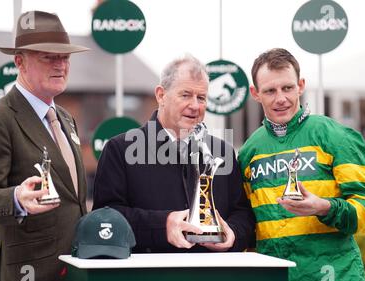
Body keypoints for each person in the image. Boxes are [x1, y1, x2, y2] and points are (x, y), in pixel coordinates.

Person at [238, 48, 365, 281]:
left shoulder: (334, 136)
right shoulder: (249, 152)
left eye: (287, 88)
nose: (280, 98)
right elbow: (250, 226)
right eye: (270, 91)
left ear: (301, 86)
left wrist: (325, 207)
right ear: (255, 94)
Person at [0, 11, 89, 281]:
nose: (60, 64)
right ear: (19, 61)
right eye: (48, 56)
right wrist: (15, 199)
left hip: (70, 276)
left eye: (65, 57)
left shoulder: (66, 119)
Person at [93, 54, 255, 253]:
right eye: (185, 95)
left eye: (201, 97)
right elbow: (105, 218)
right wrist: (163, 224)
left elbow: (243, 214)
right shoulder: (119, 150)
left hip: (214, 277)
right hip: (148, 279)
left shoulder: (223, 152)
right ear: (161, 95)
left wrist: (233, 234)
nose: (195, 105)